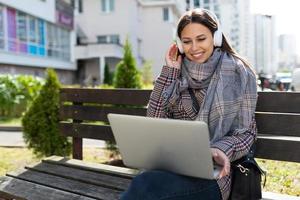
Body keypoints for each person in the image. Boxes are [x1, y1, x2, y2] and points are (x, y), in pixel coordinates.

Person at [121, 8, 257, 200]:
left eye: (201, 39)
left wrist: (219, 150)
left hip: (217, 175)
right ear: (179, 44)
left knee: (146, 187)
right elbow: (154, 120)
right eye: (187, 41)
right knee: (145, 184)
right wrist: (170, 72)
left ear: (216, 38)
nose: (194, 48)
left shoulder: (238, 73)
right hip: (173, 168)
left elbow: (246, 133)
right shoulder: (176, 73)